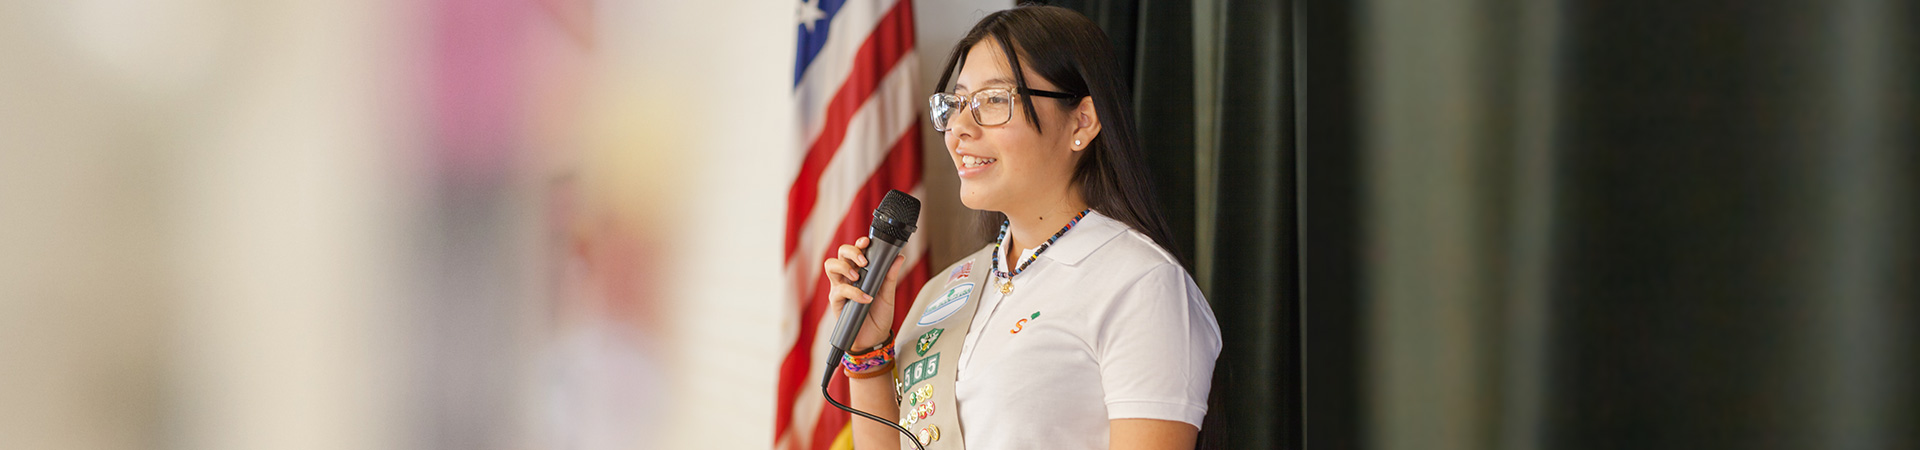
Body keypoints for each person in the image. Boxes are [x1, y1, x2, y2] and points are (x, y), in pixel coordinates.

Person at [822, 4, 1221, 449]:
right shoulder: (944, 290)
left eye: (993, 100)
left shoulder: (1142, 284)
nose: (958, 129)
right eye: (955, 104)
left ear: (1082, 121)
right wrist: (867, 354)